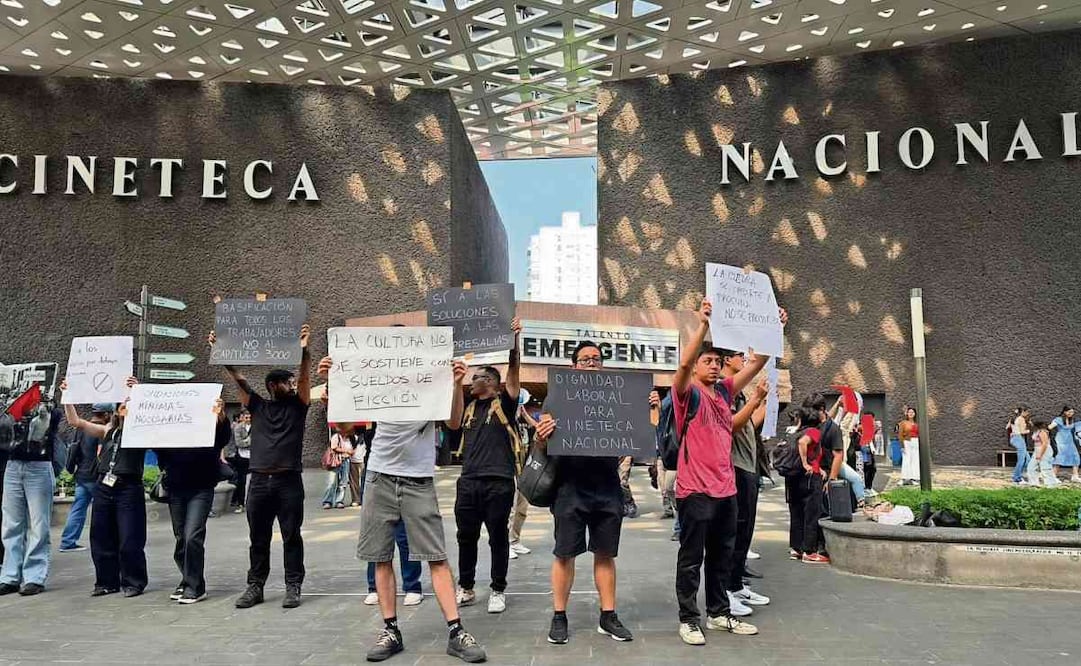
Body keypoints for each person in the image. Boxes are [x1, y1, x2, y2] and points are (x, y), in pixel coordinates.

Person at [318, 354, 485, 663]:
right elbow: (345, 427)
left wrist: (457, 383)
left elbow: (453, 422)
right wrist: (334, 384)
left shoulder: (430, 384)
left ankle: (456, 630)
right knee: (381, 556)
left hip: (418, 479)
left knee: (437, 556)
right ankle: (391, 630)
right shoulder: (377, 385)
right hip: (379, 477)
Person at [666, 299, 776, 646]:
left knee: (721, 555)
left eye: (717, 361)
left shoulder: (724, 393)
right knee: (691, 558)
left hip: (725, 488)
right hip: (695, 490)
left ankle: (718, 613)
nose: (714, 366)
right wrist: (702, 325)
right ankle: (688, 618)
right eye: (708, 361)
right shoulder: (687, 394)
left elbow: (757, 362)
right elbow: (683, 363)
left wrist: (774, 328)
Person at [533, 341, 635, 645]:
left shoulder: (619, 399)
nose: (591, 362)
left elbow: (633, 439)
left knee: (605, 553)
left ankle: (608, 615)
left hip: (607, 486)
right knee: (564, 553)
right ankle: (559, 616)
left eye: (596, 358)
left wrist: (648, 414)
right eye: (585, 359)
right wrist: (540, 438)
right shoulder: (557, 397)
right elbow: (544, 445)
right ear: (573, 365)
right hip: (570, 486)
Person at [208, 324, 313, 610]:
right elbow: (240, 380)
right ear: (272, 386)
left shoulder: (298, 406)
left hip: (289, 481)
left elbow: (305, 379)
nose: (292, 386)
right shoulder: (257, 406)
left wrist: (304, 351)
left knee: (292, 534)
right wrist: (221, 352)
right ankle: (256, 586)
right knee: (258, 537)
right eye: (287, 383)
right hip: (259, 482)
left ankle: (293, 586)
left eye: (293, 383)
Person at [453, 318, 522, 615]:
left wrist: (514, 341)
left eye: (477, 376)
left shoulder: (505, 402)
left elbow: (514, 373)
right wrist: (456, 384)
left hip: (499, 481)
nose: (472, 379)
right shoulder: (468, 407)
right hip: (468, 481)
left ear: (492, 382)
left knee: (497, 537)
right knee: (465, 536)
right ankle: (466, 586)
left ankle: (498, 589)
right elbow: (452, 423)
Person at [61, 376, 147, 597]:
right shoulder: (108, 430)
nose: (123, 409)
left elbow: (143, 413)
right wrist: (67, 397)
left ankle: (133, 581)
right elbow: (76, 422)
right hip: (104, 485)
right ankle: (106, 581)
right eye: (120, 406)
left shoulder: (139, 431)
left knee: (130, 536)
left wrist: (135, 392)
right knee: (101, 535)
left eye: (126, 406)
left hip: (128, 486)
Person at [156, 399, 232, 604]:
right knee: (181, 537)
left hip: (201, 488)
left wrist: (221, 418)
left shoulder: (208, 428)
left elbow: (223, 438)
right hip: (176, 489)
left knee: (192, 536)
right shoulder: (169, 432)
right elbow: (157, 448)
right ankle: (187, 579)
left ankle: (195, 587)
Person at [717, 348, 772, 619]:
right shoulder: (722, 390)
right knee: (733, 532)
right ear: (728, 359)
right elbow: (730, 426)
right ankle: (725, 589)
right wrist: (755, 400)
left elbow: (748, 425)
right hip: (734, 467)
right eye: (741, 355)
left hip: (748, 466)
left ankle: (737, 584)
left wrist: (760, 402)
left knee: (745, 530)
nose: (745, 360)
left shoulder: (737, 393)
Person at [0, 400, 62, 596]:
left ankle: (34, 576)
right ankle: (9, 576)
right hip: (13, 464)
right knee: (11, 524)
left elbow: (50, 429)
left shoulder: (49, 411)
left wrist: (44, 410)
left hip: (39, 466)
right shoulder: (10, 410)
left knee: (38, 524)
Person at [791, 394, 839, 564]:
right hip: (812, 478)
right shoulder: (814, 432)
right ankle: (809, 552)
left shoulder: (797, 430)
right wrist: (806, 464)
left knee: (796, 513)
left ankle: (796, 548)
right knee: (812, 513)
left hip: (795, 478)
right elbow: (803, 444)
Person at [59, 403, 112, 553]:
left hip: (81, 474)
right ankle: (104, 542)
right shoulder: (101, 431)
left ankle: (67, 541)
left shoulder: (82, 428)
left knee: (78, 509)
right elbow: (101, 454)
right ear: (107, 414)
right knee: (103, 510)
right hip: (95, 477)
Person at [508, 405, 535, 560]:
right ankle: (505, 545)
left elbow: (537, 429)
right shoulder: (507, 422)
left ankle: (515, 540)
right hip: (510, 469)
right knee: (510, 510)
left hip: (524, 470)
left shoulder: (523, 424)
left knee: (521, 509)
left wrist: (525, 415)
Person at [321, 424, 354, 510]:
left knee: (343, 482)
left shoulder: (349, 439)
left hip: (346, 461)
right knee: (332, 482)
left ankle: (339, 501)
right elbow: (334, 447)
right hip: (336, 461)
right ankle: (327, 501)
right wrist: (347, 450)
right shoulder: (336, 436)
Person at [228, 410, 252, 513]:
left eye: (250, 417)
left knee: (254, 480)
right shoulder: (238, 428)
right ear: (242, 417)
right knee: (241, 481)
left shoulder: (257, 427)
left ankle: (251, 502)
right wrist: (249, 441)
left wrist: (245, 441)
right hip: (242, 457)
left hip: (254, 456)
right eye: (246, 417)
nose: (248, 419)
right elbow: (238, 443)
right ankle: (241, 503)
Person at [1050, 406, 1081, 482]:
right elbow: (1050, 427)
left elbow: (1078, 428)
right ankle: (1052, 476)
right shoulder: (1059, 419)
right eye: (1069, 412)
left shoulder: (1072, 420)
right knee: (1059, 458)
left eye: (1072, 412)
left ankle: (1075, 476)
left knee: (1076, 457)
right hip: (1060, 441)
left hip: (1069, 441)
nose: (1071, 414)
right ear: (1065, 412)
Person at [1027, 420, 1060, 487]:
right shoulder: (1036, 431)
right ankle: (1034, 483)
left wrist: (1040, 454)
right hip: (1037, 450)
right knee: (1031, 467)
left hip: (1044, 450)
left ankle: (1051, 484)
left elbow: (1045, 444)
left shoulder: (1042, 432)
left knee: (1045, 468)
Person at [348, 423, 373, 507]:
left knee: (358, 481)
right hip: (357, 460)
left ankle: (358, 499)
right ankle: (358, 499)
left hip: (361, 460)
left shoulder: (365, 436)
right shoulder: (352, 437)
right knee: (358, 481)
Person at [899, 407, 922, 486]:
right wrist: (902, 446)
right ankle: (904, 478)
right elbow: (900, 434)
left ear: (915, 414)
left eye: (912, 412)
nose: (911, 413)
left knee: (915, 460)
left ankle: (915, 478)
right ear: (907, 414)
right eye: (909, 412)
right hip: (907, 442)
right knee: (906, 460)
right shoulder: (903, 423)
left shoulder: (917, 423)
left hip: (915, 442)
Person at [1008, 407, 1030, 485]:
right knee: (1021, 460)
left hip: (1015, 438)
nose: (1028, 414)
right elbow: (1022, 431)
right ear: (1023, 412)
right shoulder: (1021, 419)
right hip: (1019, 439)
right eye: (1027, 412)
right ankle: (1017, 478)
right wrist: (1030, 430)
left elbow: (1007, 427)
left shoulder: (1013, 418)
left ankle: (1021, 475)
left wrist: (1013, 431)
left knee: (1027, 459)